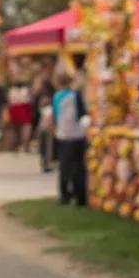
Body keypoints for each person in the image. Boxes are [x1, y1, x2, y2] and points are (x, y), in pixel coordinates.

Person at [52, 65, 88, 207]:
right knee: (79, 166)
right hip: (78, 134)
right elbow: (82, 114)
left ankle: (65, 194)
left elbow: (56, 115)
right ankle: (80, 196)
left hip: (63, 135)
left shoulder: (56, 97)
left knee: (65, 166)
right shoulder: (75, 95)